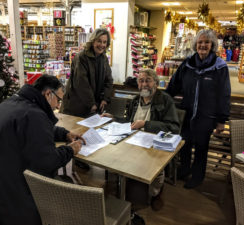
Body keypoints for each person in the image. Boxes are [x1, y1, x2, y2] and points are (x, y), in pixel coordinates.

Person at [0, 75, 84, 225]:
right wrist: (70, 150)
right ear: (48, 94)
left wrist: (64, 133)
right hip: (7, 199)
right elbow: (48, 161)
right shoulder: (34, 115)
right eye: (58, 99)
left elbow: (35, 130)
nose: (58, 106)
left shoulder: (12, 103)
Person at [103, 68, 180, 211]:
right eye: (141, 81)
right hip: (135, 141)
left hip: (154, 144)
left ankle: (156, 192)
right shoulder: (135, 101)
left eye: (148, 81)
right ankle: (128, 190)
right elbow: (128, 122)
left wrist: (146, 124)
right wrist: (113, 118)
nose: (144, 84)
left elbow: (174, 127)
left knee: (153, 169)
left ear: (156, 83)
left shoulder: (165, 100)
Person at [166, 29, 231, 189]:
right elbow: (174, 84)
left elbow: (224, 94)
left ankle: (197, 176)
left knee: (202, 147)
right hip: (187, 113)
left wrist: (221, 120)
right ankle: (184, 170)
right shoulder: (187, 64)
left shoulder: (219, 67)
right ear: (195, 44)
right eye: (200, 42)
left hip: (206, 116)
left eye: (207, 42)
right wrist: (165, 100)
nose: (203, 45)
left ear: (212, 45)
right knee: (185, 144)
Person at [61, 28, 113, 117]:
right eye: (99, 41)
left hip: (92, 107)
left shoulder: (103, 58)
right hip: (76, 106)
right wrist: (91, 103)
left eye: (104, 42)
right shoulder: (81, 57)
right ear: (93, 41)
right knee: (74, 129)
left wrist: (105, 98)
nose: (102, 45)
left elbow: (108, 80)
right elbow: (81, 83)